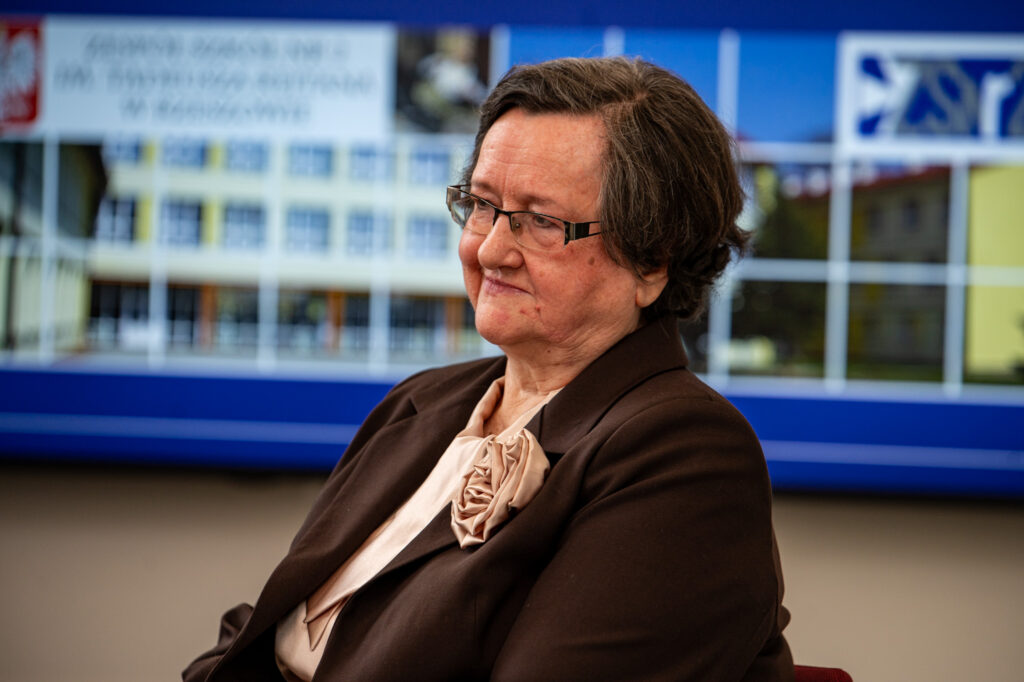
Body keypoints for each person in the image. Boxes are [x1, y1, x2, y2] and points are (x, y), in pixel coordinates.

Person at [184, 56, 792, 682]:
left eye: (541, 221)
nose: (491, 249)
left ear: (652, 260)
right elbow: (261, 635)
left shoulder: (687, 454)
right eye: (482, 205)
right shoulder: (421, 402)